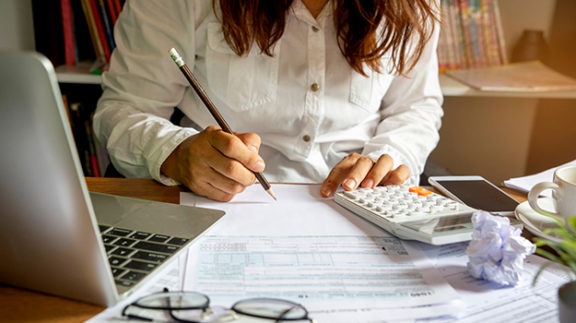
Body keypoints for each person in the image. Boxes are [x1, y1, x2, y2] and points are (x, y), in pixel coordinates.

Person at [94, 0, 443, 202]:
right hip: (215, 204)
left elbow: (415, 107)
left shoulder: (413, 6)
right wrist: (174, 153)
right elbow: (124, 109)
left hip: (360, 205)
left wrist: (389, 158)